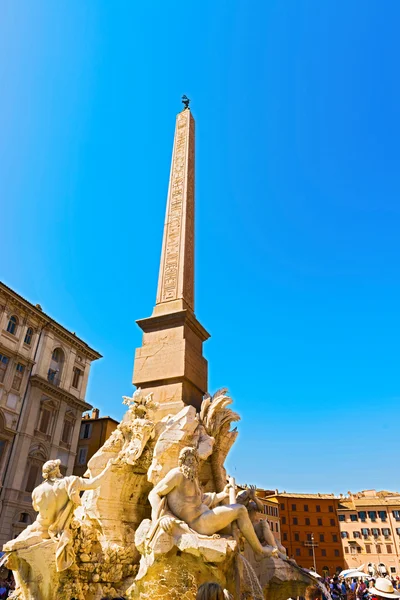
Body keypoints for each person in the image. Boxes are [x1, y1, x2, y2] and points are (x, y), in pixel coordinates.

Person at [148, 447, 279, 560]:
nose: (191, 462)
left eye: (194, 460)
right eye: (188, 459)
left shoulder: (192, 478)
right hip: (199, 522)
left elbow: (202, 499)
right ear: (181, 461)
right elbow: (153, 494)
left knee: (237, 529)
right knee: (240, 510)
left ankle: (258, 549)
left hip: (206, 516)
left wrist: (223, 494)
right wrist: (164, 517)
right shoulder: (177, 475)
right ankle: (260, 552)